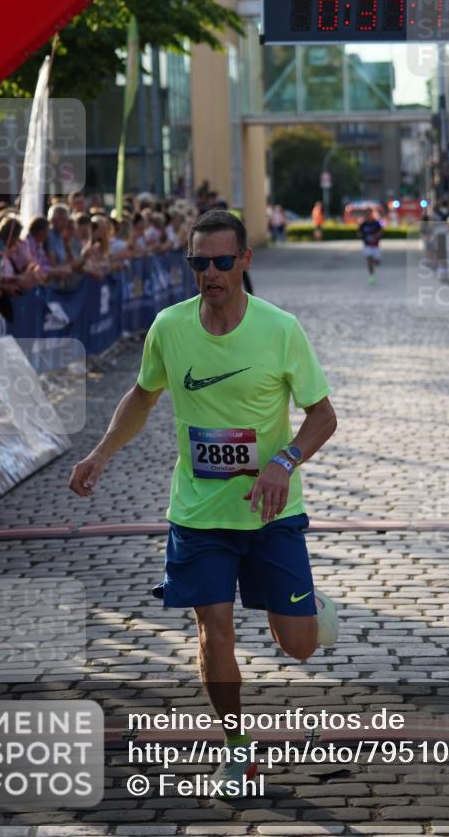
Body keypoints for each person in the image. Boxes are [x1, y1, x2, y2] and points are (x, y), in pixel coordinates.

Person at [68, 210, 338, 794]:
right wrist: (100, 455)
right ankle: (237, 750)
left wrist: (282, 462)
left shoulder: (280, 329)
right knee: (213, 633)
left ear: (244, 260)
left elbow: (323, 416)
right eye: (199, 263)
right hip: (197, 511)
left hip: (271, 511)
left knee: (299, 645)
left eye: (221, 261)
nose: (209, 273)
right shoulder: (169, 327)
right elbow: (142, 398)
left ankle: (308, 608)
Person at [358, 208, 384, 284]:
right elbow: (359, 233)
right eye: (366, 214)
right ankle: (371, 276)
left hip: (375, 246)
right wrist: (362, 236)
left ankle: (374, 263)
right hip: (367, 245)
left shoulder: (376, 223)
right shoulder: (363, 224)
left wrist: (376, 236)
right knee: (369, 260)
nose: (368, 215)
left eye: (369, 214)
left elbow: (381, 232)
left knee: (377, 262)